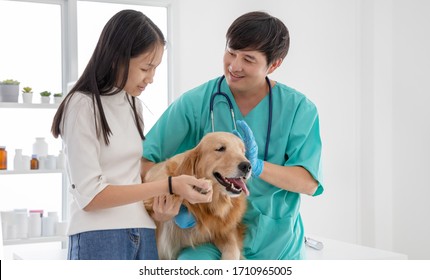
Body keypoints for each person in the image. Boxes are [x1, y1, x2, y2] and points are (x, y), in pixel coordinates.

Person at [141, 11, 324, 260]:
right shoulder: (197, 103)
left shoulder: (299, 109)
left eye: (248, 59)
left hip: (275, 241)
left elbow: (309, 183)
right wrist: (172, 201)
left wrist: (257, 167)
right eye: (231, 52)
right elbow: (145, 161)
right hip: (208, 237)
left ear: (274, 64)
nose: (234, 66)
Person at [50, 9, 212, 260]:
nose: (151, 78)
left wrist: (160, 212)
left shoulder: (133, 105)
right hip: (99, 238)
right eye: (146, 67)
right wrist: (169, 184)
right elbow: (91, 196)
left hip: (144, 234)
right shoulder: (82, 105)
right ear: (118, 58)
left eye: (156, 69)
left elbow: (130, 178)